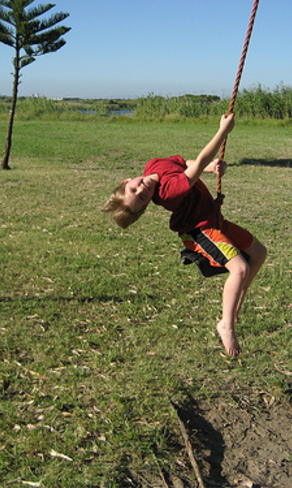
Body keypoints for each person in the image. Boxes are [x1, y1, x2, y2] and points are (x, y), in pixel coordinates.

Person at [102, 114, 266, 357]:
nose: (142, 189)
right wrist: (223, 131)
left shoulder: (153, 165)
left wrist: (211, 168)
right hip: (200, 229)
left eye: (134, 188)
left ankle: (237, 305)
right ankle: (226, 325)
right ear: (149, 203)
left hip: (213, 219)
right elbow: (198, 163)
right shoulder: (167, 193)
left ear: (127, 179)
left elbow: (184, 163)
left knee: (259, 253)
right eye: (141, 197)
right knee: (239, 268)